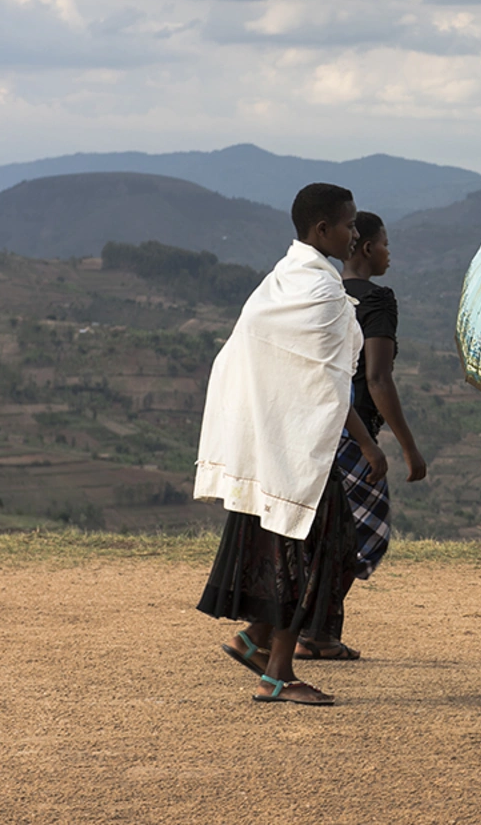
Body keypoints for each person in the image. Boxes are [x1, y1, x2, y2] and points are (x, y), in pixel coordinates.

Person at [195, 183, 387, 706]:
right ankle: (277, 674)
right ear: (322, 230)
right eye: (349, 225)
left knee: (327, 548)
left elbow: (311, 376)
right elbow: (325, 382)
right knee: (310, 555)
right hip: (295, 449)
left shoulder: (283, 281)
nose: (355, 234)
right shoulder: (318, 292)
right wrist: (369, 445)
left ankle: (255, 638)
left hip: (281, 442)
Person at [296, 211, 428, 661]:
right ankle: (317, 630)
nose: (390, 252)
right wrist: (408, 448)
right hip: (352, 434)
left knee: (319, 533)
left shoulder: (324, 294)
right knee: (361, 537)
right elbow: (377, 378)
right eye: (386, 244)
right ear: (368, 247)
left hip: (312, 427)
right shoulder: (377, 301)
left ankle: (313, 629)